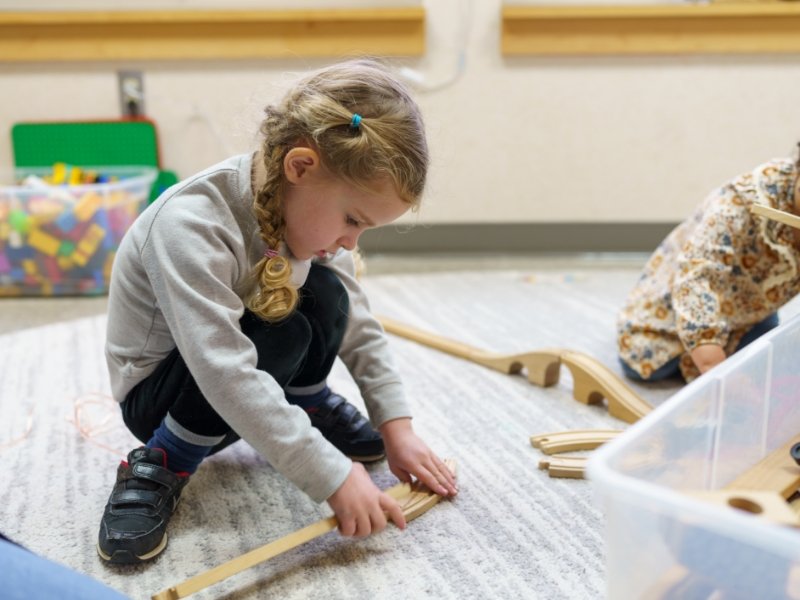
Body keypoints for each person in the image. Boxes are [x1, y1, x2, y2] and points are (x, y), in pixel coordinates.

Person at [97, 58, 458, 565]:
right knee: (281, 333)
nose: (351, 240)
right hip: (162, 396)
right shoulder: (189, 225)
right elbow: (224, 369)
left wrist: (397, 426)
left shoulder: (311, 219)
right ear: (301, 167)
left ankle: (303, 404)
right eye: (352, 219)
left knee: (331, 294)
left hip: (238, 375)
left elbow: (358, 325)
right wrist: (329, 472)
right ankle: (164, 461)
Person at [617, 148, 800, 383]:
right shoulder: (745, 199)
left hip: (747, 312)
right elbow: (696, 273)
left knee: (769, 354)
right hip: (672, 309)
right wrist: (716, 371)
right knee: (648, 365)